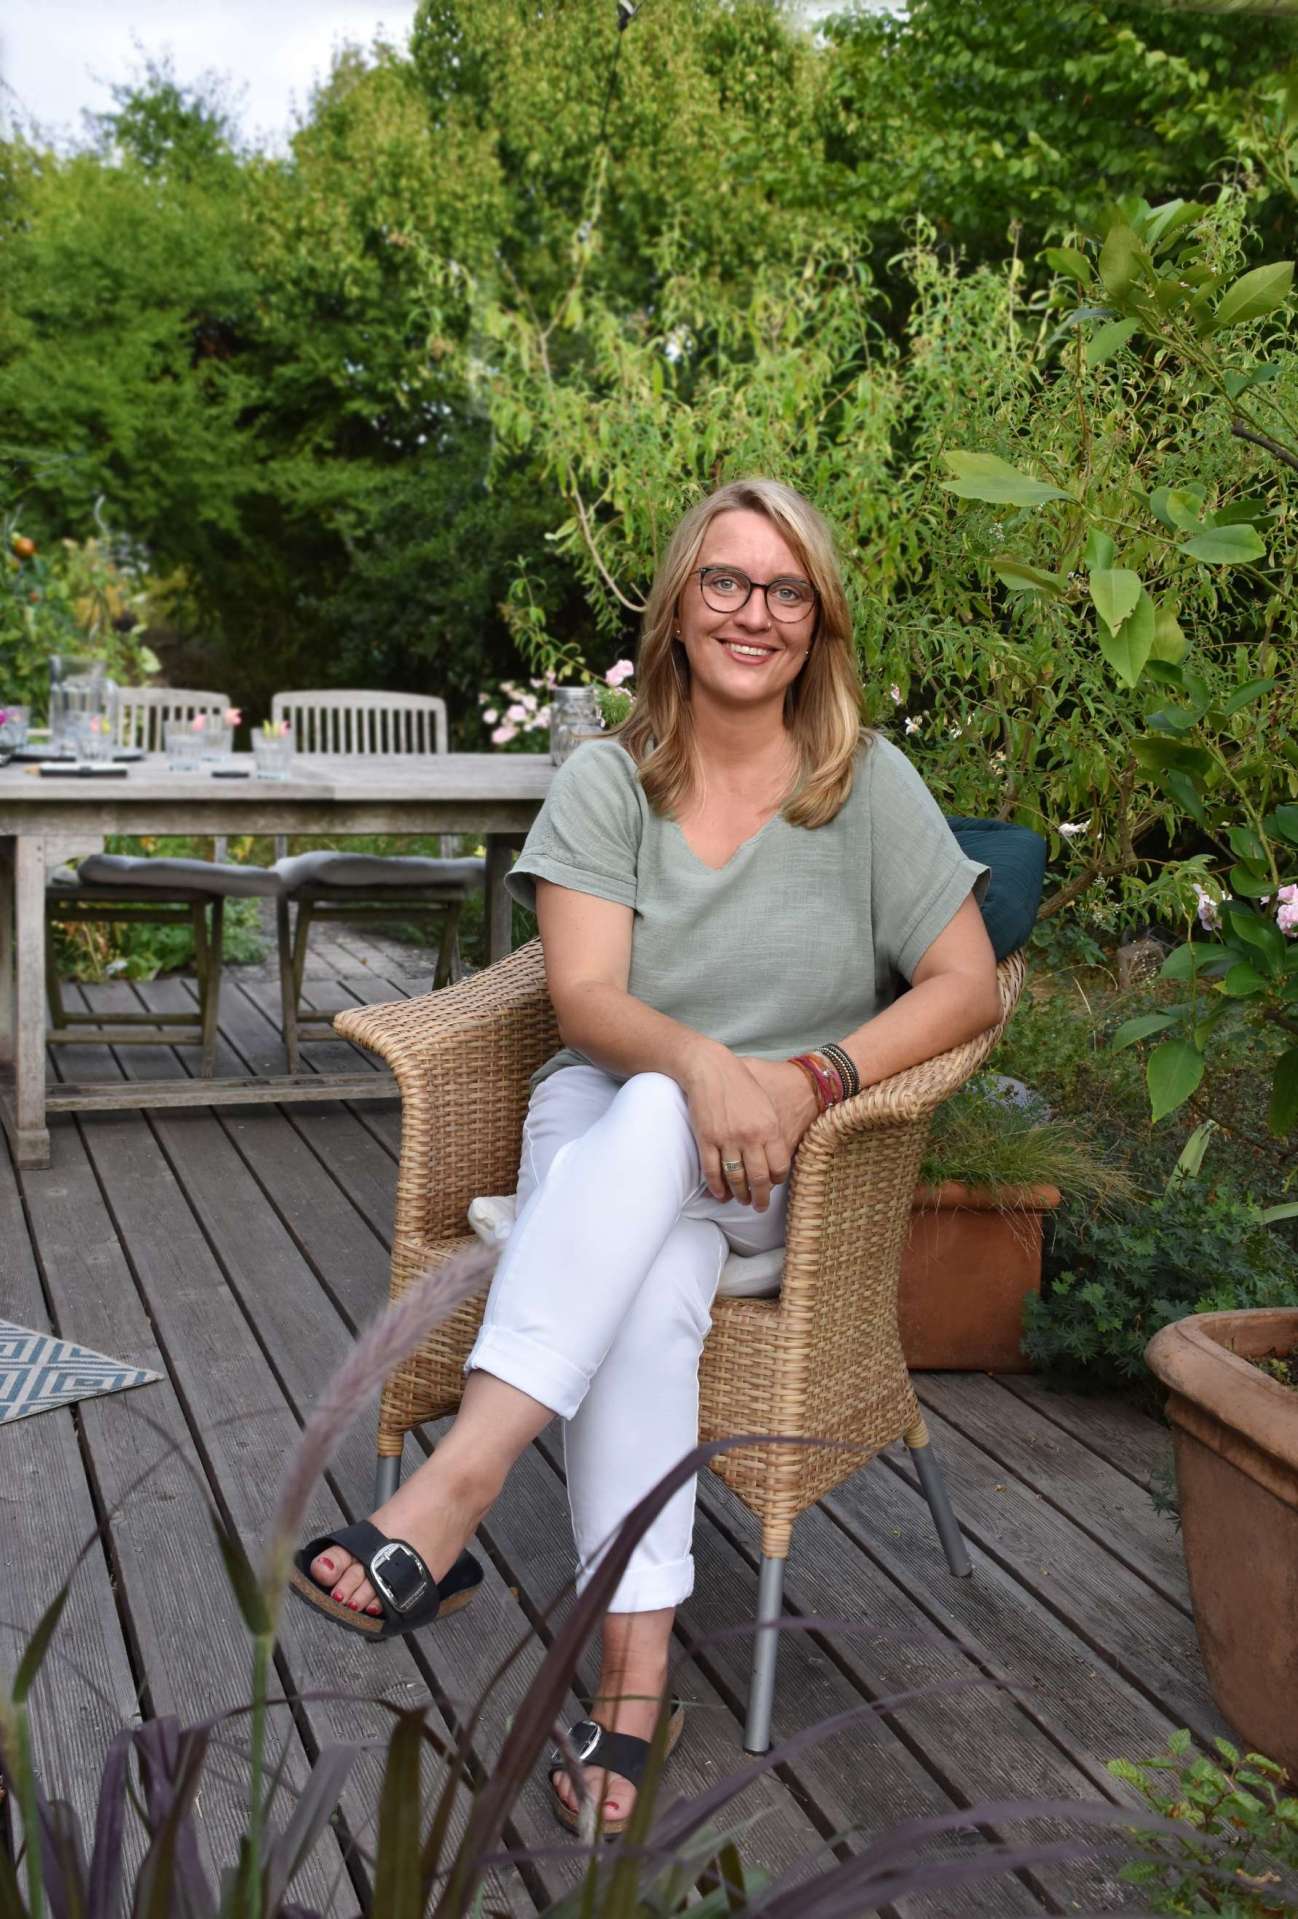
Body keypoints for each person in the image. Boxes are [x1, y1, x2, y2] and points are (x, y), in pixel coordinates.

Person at [293, 477, 1000, 1832]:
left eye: (785, 591)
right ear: (677, 608)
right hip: (612, 1123)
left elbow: (966, 983)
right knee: (652, 1264)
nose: (753, 613)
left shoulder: (869, 789)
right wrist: (699, 1069)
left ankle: (462, 1480)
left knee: (671, 1154)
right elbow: (587, 1005)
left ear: (818, 623)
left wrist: (806, 1078)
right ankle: (632, 1699)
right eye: (726, 583)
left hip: (791, 1155)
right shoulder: (608, 780)